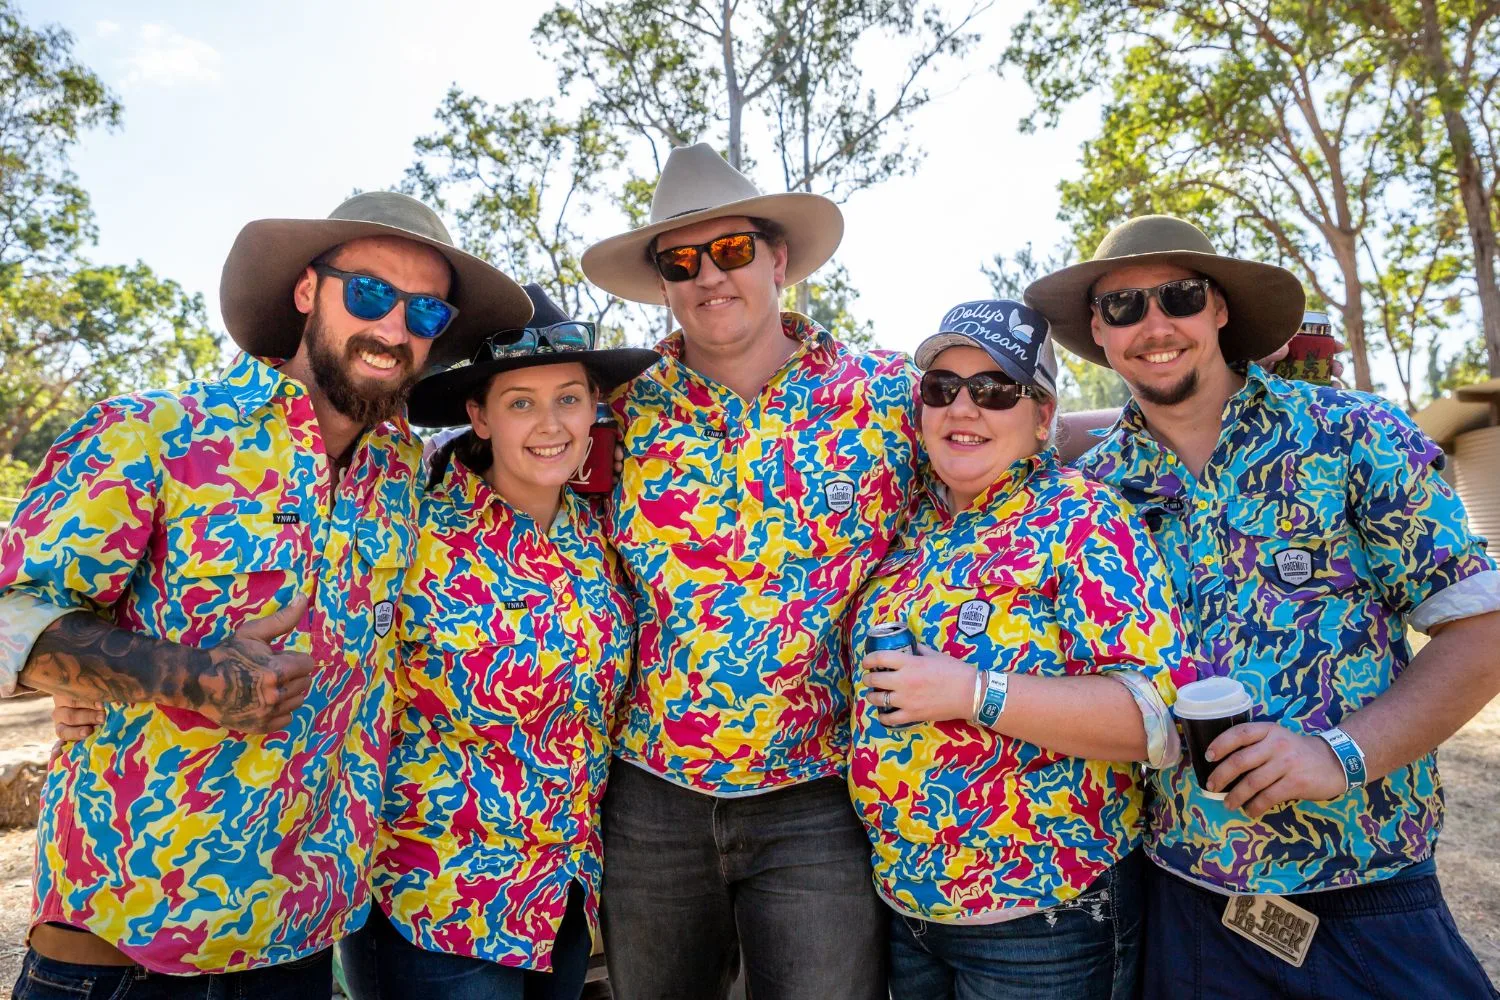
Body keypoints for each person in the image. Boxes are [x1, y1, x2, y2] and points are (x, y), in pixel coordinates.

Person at [0, 192, 530, 997]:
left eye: (425, 311)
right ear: (307, 290)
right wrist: (188, 678)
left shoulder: (404, 478)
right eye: (371, 294)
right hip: (126, 944)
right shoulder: (156, 433)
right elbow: (12, 617)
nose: (394, 329)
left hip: (299, 942)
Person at [1026, 215, 1500, 996]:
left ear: (1219, 309)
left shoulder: (1349, 435)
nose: (1154, 325)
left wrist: (1337, 756)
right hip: (1187, 900)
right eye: (1123, 307)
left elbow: (1481, 632)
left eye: (1180, 297)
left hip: (1366, 887)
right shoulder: (1093, 496)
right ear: (1099, 334)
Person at [578, 143, 921, 998]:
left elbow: (991, 492)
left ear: (778, 259)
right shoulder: (615, 412)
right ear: (663, 283)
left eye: (730, 250)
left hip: (820, 791)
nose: (708, 276)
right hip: (652, 790)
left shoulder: (889, 397)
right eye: (680, 262)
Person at [848, 299, 1192, 999]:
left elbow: (1156, 719)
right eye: (942, 387)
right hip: (908, 910)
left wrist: (973, 692)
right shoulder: (907, 524)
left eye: (995, 389)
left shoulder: (1084, 519)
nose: (963, 407)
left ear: (1041, 417)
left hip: (1045, 918)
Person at [336, 284, 657, 1000]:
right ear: (479, 416)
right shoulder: (411, 527)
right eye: (520, 403)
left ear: (595, 408)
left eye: (569, 398)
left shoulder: (601, 539)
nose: (550, 424)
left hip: (562, 898)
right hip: (435, 903)